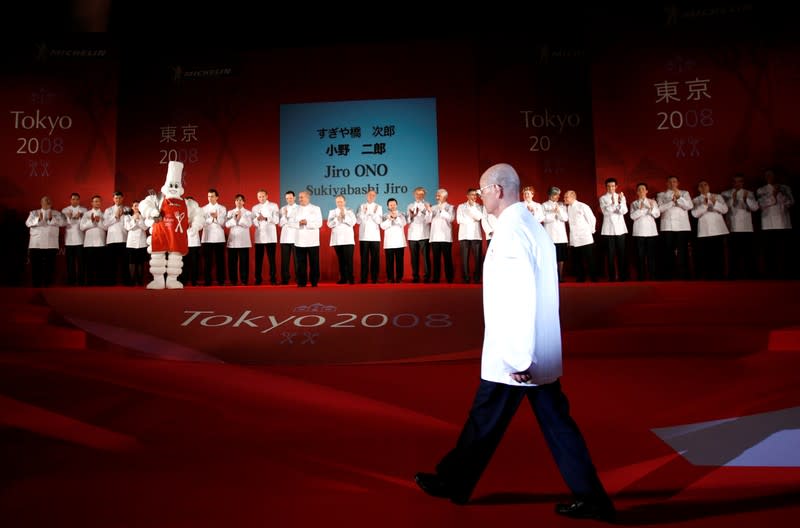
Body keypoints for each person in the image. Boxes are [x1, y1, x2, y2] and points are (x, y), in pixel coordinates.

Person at [415, 163, 615, 521]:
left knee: (489, 418)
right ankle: (455, 480)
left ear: (498, 189)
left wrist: (518, 357)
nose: (478, 196)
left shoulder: (511, 233)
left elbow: (519, 295)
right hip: (532, 351)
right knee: (544, 423)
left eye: (482, 190)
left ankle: (454, 481)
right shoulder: (528, 226)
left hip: (519, 357)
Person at [139, 161, 204, 289]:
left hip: (177, 234)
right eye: (171, 185)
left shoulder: (187, 203)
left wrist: (195, 226)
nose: (173, 187)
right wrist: (152, 211)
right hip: (160, 232)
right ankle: (158, 280)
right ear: (165, 185)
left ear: (180, 187)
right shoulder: (158, 199)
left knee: (176, 259)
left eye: (176, 185)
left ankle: (172, 280)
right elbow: (143, 204)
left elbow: (198, 214)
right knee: (157, 256)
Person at [756, 168, 794, 279]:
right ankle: (770, 273)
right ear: (764, 177)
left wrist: (781, 195)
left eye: (771, 175)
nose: (769, 177)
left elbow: (791, 202)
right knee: (770, 249)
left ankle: (785, 272)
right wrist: (773, 195)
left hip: (784, 223)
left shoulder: (785, 188)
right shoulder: (760, 190)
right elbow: (762, 204)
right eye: (767, 175)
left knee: (784, 249)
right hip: (769, 224)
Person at [721, 173, 759, 279]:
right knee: (733, 254)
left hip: (747, 228)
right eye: (735, 181)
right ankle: (734, 275)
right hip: (732, 228)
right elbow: (724, 209)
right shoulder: (725, 193)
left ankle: (750, 275)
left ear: (743, 182)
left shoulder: (749, 193)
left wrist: (747, 199)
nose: (738, 184)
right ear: (732, 182)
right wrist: (732, 199)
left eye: (740, 181)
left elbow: (755, 208)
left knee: (748, 253)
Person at [656, 176, 692, 280]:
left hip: (682, 226)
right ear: (666, 183)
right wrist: (672, 202)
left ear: (678, 183)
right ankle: (669, 275)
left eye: (674, 181)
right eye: (670, 182)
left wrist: (679, 198)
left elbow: (689, 206)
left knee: (683, 251)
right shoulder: (661, 195)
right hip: (667, 226)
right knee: (668, 251)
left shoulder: (685, 193)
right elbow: (660, 209)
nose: (672, 183)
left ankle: (684, 275)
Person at [26, 195, 64, 287]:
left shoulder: (57, 213)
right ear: (41, 203)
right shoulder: (34, 212)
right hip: (36, 243)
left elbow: (62, 223)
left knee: (50, 267)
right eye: (44, 200)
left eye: (48, 200)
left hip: (51, 243)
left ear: (51, 203)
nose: (46, 202)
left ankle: (49, 285)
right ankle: (36, 285)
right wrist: (38, 219)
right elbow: (27, 223)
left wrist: (51, 218)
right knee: (36, 266)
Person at [598, 178, 628, 282]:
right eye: (609, 186)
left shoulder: (621, 196)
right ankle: (611, 277)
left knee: (621, 254)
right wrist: (614, 204)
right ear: (606, 187)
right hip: (608, 230)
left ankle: (622, 276)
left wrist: (618, 204)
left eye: (613, 186)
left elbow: (624, 211)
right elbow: (606, 212)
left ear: (616, 187)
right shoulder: (602, 198)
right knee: (610, 255)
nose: (611, 188)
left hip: (620, 229)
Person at [629, 182, 660, 281]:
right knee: (640, 256)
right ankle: (641, 277)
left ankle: (653, 276)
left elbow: (657, 215)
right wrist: (641, 210)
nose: (641, 191)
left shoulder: (653, 202)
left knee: (651, 256)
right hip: (639, 233)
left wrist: (650, 208)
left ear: (647, 191)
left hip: (651, 232)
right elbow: (632, 216)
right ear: (637, 192)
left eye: (643, 189)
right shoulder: (634, 203)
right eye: (639, 189)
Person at [564, 190, 597, 283]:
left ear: (573, 197)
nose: (564, 199)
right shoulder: (568, 208)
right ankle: (580, 277)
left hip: (585, 237)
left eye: (566, 197)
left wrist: (591, 231)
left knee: (590, 259)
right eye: (564, 197)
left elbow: (592, 219)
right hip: (574, 238)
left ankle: (593, 278)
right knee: (577, 260)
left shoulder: (583, 206)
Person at [294, 191, 322, 287]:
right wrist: (298, 223)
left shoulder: (316, 208)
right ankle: (301, 282)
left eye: (301, 197)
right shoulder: (295, 209)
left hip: (312, 240)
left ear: (307, 198)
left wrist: (307, 223)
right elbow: (290, 222)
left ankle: (314, 281)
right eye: (299, 197)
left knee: (314, 262)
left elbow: (319, 223)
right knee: (300, 262)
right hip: (299, 240)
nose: (299, 199)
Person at [327, 194, 357, 284]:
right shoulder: (332, 212)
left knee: (349, 260)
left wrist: (344, 217)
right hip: (337, 239)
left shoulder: (350, 211)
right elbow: (329, 224)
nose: (339, 203)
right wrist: (337, 219)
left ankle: (351, 278)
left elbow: (353, 223)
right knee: (341, 260)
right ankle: (343, 278)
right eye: (337, 202)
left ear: (344, 202)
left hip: (348, 239)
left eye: (341, 201)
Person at [456, 188, 484, 283]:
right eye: (472, 195)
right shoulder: (461, 206)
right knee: (464, 258)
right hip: (464, 235)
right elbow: (459, 220)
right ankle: (466, 277)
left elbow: (479, 217)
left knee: (477, 258)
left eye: (475, 195)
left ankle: (477, 278)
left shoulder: (479, 206)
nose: (474, 197)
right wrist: (472, 219)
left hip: (476, 235)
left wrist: (472, 210)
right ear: (467, 196)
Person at [252, 189, 280, 285]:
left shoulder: (273, 205)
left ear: (267, 196)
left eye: (263, 196)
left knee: (271, 259)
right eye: (259, 196)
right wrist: (257, 219)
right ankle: (258, 279)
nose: (261, 198)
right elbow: (253, 222)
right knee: (258, 260)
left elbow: (276, 220)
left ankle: (273, 279)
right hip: (259, 236)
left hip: (270, 236)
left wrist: (266, 218)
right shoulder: (255, 207)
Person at [103, 190, 131, 285]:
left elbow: (129, 223)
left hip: (124, 238)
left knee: (125, 262)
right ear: (113, 199)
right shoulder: (108, 210)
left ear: (122, 198)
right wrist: (115, 216)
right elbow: (105, 224)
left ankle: (126, 282)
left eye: (119, 198)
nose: (118, 199)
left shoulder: (127, 209)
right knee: (111, 262)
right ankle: (111, 281)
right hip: (111, 239)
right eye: (116, 198)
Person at [541, 186, 569, 281]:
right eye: (555, 194)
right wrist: (553, 213)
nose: (557, 196)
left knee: (561, 258)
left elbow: (565, 218)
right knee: (551, 258)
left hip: (561, 236)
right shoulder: (544, 205)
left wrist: (559, 211)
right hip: (550, 235)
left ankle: (560, 276)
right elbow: (544, 219)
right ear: (550, 195)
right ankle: (551, 277)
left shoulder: (562, 205)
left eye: (558, 195)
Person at [225, 194, 253, 286]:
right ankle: (233, 281)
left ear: (244, 202)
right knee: (232, 262)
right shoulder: (230, 212)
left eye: (241, 200)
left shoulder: (248, 213)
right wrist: (234, 219)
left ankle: (244, 280)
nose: (239, 202)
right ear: (235, 202)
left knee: (244, 262)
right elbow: (227, 224)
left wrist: (240, 217)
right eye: (237, 200)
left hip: (244, 241)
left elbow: (248, 224)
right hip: (233, 240)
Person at [201, 188, 227, 286]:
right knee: (207, 261)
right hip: (207, 237)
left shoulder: (222, 208)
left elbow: (223, 223)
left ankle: (221, 281)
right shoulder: (203, 209)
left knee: (220, 260)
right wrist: (211, 218)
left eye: (212, 196)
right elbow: (202, 222)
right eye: (208, 196)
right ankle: (207, 281)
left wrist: (216, 217)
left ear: (217, 197)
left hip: (219, 237)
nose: (210, 198)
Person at [80, 195, 108, 286]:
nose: (97, 203)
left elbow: (106, 228)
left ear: (100, 203)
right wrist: (91, 222)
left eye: (98, 201)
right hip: (89, 243)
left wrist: (99, 221)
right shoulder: (86, 214)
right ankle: (89, 282)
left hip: (101, 242)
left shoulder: (104, 214)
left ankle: (100, 282)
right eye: (95, 201)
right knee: (89, 265)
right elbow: (81, 227)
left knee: (100, 264)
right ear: (91, 203)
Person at [406, 186, 432, 283]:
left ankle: (427, 277)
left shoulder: (427, 204)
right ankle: (415, 276)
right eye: (417, 194)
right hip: (412, 235)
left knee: (425, 257)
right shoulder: (410, 206)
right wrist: (412, 216)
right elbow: (408, 221)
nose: (419, 196)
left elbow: (429, 220)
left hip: (424, 234)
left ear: (424, 195)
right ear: (414, 195)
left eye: (421, 194)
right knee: (414, 257)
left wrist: (427, 212)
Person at [429, 188, 455, 283]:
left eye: (439, 195)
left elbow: (451, 219)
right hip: (435, 236)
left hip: (445, 237)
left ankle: (449, 278)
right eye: (436, 195)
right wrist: (429, 211)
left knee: (447, 258)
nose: (437, 197)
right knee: (436, 259)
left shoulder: (450, 207)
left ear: (445, 196)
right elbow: (428, 220)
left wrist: (442, 210)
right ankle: (436, 278)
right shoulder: (433, 207)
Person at [357, 189, 382, 283]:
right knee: (364, 259)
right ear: (366, 196)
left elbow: (379, 221)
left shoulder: (378, 207)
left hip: (375, 237)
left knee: (375, 259)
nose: (371, 197)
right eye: (369, 195)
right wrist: (364, 213)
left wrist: (373, 214)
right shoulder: (361, 206)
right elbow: (358, 221)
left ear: (375, 196)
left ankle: (375, 278)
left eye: (373, 195)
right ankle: (363, 278)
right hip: (363, 236)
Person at [61, 192, 87, 285]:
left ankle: (81, 281)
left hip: (80, 239)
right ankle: (71, 281)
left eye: (76, 199)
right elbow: (64, 223)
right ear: (70, 200)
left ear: (79, 200)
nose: (75, 201)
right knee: (70, 263)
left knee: (81, 262)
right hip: (69, 240)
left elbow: (84, 223)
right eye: (73, 199)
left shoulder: (84, 210)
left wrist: (79, 217)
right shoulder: (65, 210)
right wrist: (71, 217)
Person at [380, 197, 407, 283]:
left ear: (397, 205)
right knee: (389, 262)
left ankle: (399, 278)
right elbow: (382, 226)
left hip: (399, 242)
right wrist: (390, 219)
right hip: (389, 243)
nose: (392, 206)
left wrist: (396, 218)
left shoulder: (401, 214)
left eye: (394, 204)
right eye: (390, 205)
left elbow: (404, 223)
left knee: (400, 261)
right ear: (387, 206)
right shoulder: (384, 215)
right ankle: (390, 278)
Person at [123, 201, 149, 286]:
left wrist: (139, 220)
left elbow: (145, 227)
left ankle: (140, 281)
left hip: (141, 242)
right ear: (132, 208)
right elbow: (127, 227)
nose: (136, 207)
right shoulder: (128, 216)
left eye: (138, 206)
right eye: (135, 206)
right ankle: (132, 281)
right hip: (131, 243)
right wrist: (134, 219)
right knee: (132, 262)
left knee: (140, 262)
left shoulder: (144, 217)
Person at [279, 191, 299, 285]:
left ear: (294, 198)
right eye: (287, 198)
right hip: (285, 237)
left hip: (296, 237)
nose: (289, 200)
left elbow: (297, 222)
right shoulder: (283, 208)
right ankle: (285, 279)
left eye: (290, 198)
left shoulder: (299, 208)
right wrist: (286, 216)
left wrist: (288, 220)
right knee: (284, 260)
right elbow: (280, 223)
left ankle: (299, 278)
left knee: (297, 260)